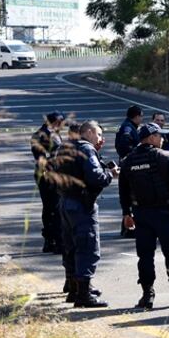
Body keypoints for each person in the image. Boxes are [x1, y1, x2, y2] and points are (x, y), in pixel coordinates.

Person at [119, 122, 169, 310]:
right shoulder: (165, 157)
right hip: (165, 213)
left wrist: (126, 213)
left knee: (145, 256)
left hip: (141, 214)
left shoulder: (127, 161)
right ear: (151, 137)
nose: (162, 139)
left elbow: (123, 191)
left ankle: (147, 295)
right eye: (160, 136)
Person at [53, 120, 116, 308]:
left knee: (71, 246)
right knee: (87, 247)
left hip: (65, 202)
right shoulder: (86, 149)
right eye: (98, 134)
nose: (100, 138)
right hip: (81, 204)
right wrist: (111, 174)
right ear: (88, 132)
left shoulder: (64, 148)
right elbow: (96, 177)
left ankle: (74, 289)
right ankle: (83, 294)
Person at [30, 111, 65, 254]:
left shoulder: (49, 133)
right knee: (55, 207)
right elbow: (41, 157)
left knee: (50, 207)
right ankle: (56, 241)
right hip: (48, 175)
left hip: (48, 174)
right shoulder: (43, 135)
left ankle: (49, 240)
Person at [116, 105, 143, 238]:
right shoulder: (127, 128)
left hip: (129, 166)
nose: (142, 119)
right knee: (131, 197)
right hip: (130, 168)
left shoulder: (130, 127)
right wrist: (134, 155)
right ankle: (128, 228)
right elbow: (124, 145)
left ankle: (128, 227)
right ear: (136, 116)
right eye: (141, 116)